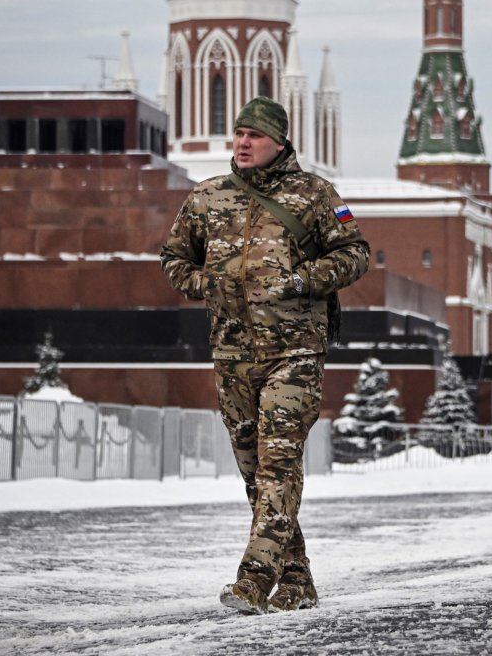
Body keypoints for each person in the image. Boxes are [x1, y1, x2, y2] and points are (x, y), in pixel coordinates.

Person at [161, 97, 370, 614]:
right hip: (232, 353)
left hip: (294, 351)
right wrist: (206, 282)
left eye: (254, 135)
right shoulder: (208, 197)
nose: (243, 143)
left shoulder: (315, 195)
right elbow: (172, 258)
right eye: (238, 134)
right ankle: (297, 582)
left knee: (279, 464)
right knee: (255, 472)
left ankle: (253, 581)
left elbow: (354, 252)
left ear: (279, 142)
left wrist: (303, 278)